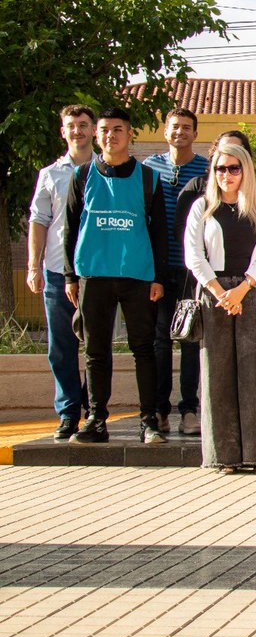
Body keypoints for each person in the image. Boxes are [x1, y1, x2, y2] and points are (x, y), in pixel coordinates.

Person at [63, 107, 167, 444]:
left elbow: (160, 232)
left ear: (130, 134)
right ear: (97, 134)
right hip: (94, 274)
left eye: (118, 129)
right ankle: (96, 419)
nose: (111, 135)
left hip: (137, 275)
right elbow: (70, 228)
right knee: (96, 351)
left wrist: (159, 277)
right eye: (105, 129)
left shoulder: (148, 177)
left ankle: (149, 420)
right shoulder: (82, 176)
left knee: (144, 348)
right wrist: (70, 276)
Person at [184, 143, 256, 473]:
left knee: (254, 374)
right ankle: (223, 456)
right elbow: (193, 255)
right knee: (216, 375)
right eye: (220, 169)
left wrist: (243, 288)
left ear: (246, 171)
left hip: (250, 292)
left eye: (234, 168)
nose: (226, 175)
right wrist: (220, 291)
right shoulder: (202, 207)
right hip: (214, 294)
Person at [27, 105, 96, 440]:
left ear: (93, 130)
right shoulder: (50, 174)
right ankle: (69, 412)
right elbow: (38, 222)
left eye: (83, 125)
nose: (77, 131)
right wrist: (33, 266)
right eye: (71, 126)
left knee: (96, 346)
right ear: (63, 131)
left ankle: (94, 409)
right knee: (61, 347)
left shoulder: (105, 171)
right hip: (56, 271)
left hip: (97, 273)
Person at [143, 107, 209, 437]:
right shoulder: (148, 168)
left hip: (191, 269)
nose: (180, 132)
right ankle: (158, 410)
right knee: (158, 340)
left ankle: (189, 409)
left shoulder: (207, 170)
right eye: (175, 126)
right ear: (165, 131)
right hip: (155, 268)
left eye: (187, 127)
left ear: (195, 134)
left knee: (190, 339)